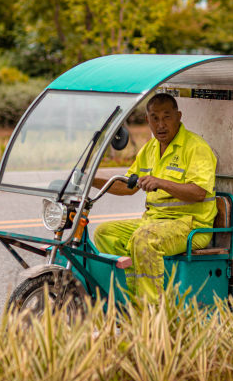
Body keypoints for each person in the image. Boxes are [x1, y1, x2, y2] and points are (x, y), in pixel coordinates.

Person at [93, 93, 217, 303]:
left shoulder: (196, 147)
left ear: (178, 116)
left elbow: (199, 193)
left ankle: (150, 313)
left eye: (166, 117)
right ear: (147, 120)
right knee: (104, 233)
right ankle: (130, 299)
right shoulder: (149, 149)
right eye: (154, 118)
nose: (160, 125)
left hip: (190, 225)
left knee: (145, 239)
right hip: (153, 222)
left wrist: (161, 182)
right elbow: (128, 186)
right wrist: (91, 180)